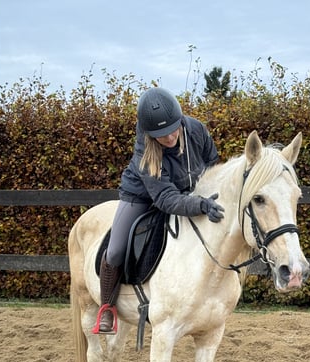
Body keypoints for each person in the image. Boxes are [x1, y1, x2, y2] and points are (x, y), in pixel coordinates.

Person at [94, 86, 226, 334]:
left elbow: (212, 164)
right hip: (142, 196)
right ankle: (107, 307)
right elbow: (165, 198)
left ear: (180, 119)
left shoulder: (196, 130)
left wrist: (206, 195)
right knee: (115, 250)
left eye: (172, 129)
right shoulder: (146, 148)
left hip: (189, 192)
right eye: (160, 135)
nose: (168, 138)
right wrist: (198, 204)